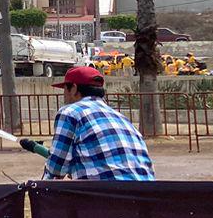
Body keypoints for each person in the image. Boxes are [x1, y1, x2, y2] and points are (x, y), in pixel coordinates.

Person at [20, 66, 155, 181]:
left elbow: (57, 169)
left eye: (65, 89)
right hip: (144, 198)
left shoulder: (70, 112)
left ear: (73, 88)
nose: (64, 95)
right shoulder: (120, 117)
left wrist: (39, 188)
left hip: (103, 201)